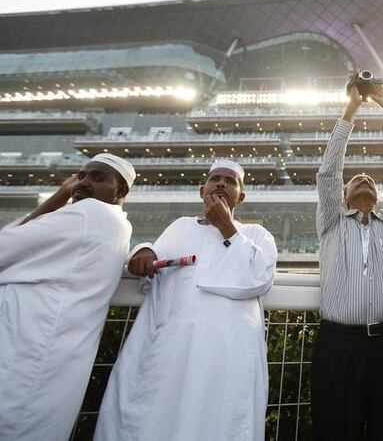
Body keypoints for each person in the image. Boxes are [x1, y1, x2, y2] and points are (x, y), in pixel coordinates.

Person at [95, 160, 277, 441]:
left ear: (240, 197)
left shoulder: (256, 234)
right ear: (202, 190)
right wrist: (144, 249)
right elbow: (156, 258)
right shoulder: (180, 226)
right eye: (215, 179)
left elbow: (258, 278)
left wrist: (227, 226)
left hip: (227, 352)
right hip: (170, 349)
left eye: (230, 181)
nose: (221, 184)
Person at [0, 154, 134, 441]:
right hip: (49, 343)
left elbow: (5, 245)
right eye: (81, 176)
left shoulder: (89, 214)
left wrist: (59, 196)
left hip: (28, 342)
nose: (83, 183)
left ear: (120, 192)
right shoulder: (117, 223)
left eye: (97, 178)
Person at [312, 71, 383, 441]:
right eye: (355, 180)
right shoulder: (332, 224)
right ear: (342, 197)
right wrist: (353, 105)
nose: (365, 179)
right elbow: (328, 173)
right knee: (335, 431)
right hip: (339, 345)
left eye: (371, 179)